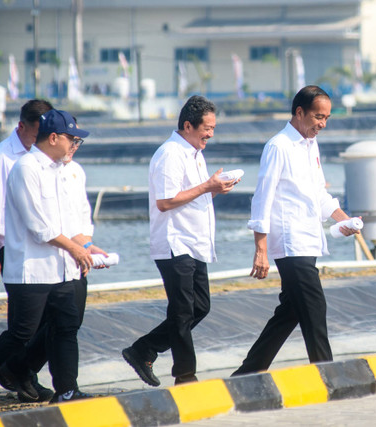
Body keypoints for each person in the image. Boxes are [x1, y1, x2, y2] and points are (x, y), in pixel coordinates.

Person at [0, 109, 95, 413]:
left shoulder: (63, 170)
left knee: (66, 327)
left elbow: (74, 218)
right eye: (72, 139)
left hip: (61, 269)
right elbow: (39, 225)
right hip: (30, 270)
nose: (75, 145)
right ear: (54, 137)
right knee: (21, 333)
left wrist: (86, 244)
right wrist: (74, 248)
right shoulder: (25, 169)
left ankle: (67, 391)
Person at [232, 86, 359, 376]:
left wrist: (343, 219)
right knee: (315, 307)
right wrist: (260, 249)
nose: (322, 124)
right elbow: (262, 198)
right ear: (299, 112)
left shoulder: (310, 144)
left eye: (326, 118)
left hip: (308, 238)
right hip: (290, 242)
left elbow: (318, 194)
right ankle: (327, 372)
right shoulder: (279, 146)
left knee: (290, 312)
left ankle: (247, 373)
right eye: (317, 116)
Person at [122, 95, 238, 386]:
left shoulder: (194, 152)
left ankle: (144, 349)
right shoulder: (170, 154)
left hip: (194, 242)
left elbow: (190, 195)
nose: (210, 134)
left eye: (213, 128)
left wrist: (214, 189)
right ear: (188, 125)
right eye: (207, 128)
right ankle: (185, 375)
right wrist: (207, 186)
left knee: (200, 307)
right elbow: (165, 201)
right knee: (183, 310)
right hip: (175, 242)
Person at [0, 99, 55, 401]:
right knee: (24, 322)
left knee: (49, 317)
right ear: (21, 126)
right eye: (36, 131)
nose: (41, 139)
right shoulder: (3, 157)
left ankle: (21, 372)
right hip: (10, 248)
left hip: (37, 247)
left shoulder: (42, 156)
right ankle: (4, 373)